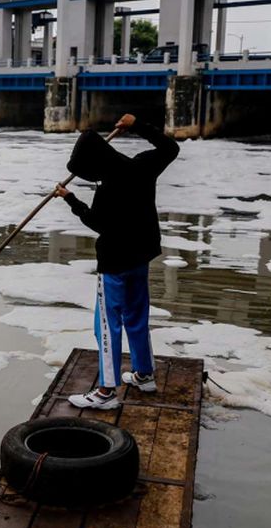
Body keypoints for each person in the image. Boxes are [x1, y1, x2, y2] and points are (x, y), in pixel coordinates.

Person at [54, 113, 180, 410]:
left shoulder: (108, 188)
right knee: (136, 316)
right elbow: (170, 149)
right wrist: (138, 125)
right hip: (141, 256)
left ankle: (106, 391)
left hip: (114, 264)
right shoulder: (142, 166)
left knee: (107, 326)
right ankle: (144, 374)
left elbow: (98, 223)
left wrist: (70, 199)